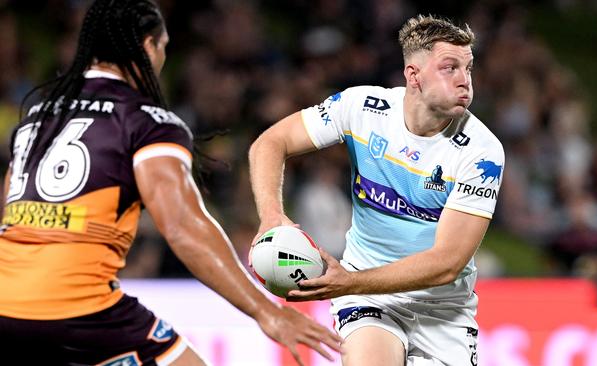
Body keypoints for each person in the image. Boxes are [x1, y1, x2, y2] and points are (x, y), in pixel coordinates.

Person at [0, 1, 341, 365]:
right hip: (79, 307)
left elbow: (10, 212)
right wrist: (265, 311)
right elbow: (183, 227)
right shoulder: (147, 122)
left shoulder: (38, 114)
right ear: (150, 47)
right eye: (163, 47)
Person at [249, 14, 504, 366]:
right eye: (450, 68)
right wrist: (271, 214)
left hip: (442, 310)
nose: (465, 81)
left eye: (469, 68)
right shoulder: (362, 109)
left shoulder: (480, 151)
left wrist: (350, 282)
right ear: (413, 76)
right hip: (369, 300)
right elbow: (271, 142)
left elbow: (447, 263)